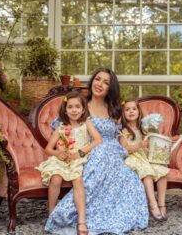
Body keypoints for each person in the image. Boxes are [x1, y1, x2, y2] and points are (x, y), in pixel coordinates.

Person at [45, 68, 148, 234]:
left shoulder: (114, 110)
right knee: (100, 155)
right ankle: (75, 215)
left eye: (106, 82)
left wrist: (134, 144)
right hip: (88, 150)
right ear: (92, 81)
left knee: (129, 177)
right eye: (98, 79)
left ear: (110, 88)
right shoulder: (79, 104)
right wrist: (64, 151)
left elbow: (121, 134)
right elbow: (63, 128)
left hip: (114, 152)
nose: (100, 84)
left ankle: (113, 213)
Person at [36, 91, 102, 235]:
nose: (74, 110)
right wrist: (57, 153)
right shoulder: (60, 127)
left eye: (77, 107)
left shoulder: (86, 123)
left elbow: (98, 140)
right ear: (65, 110)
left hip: (78, 159)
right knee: (55, 179)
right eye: (70, 107)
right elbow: (48, 149)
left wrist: (81, 152)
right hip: (62, 160)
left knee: (78, 180)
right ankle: (52, 213)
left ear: (83, 109)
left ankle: (81, 220)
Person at [120, 99, 170, 221]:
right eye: (127, 109)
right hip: (133, 157)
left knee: (162, 171)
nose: (131, 111)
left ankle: (161, 203)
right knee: (147, 173)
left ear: (138, 112)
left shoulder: (144, 129)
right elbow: (125, 149)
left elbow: (152, 143)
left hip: (145, 156)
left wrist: (154, 133)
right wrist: (140, 145)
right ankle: (152, 205)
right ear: (123, 113)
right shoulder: (123, 131)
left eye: (134, 109)